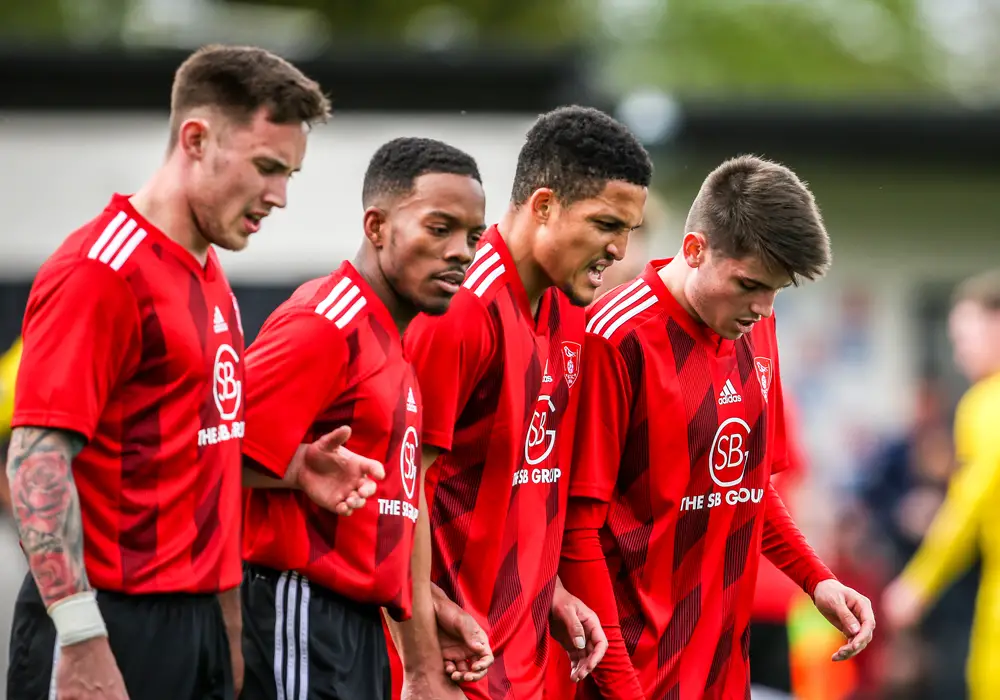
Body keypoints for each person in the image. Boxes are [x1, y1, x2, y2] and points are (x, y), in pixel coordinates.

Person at [4, 44, 375, 700]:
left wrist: (290, 470)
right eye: (267, 167)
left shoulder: (208, 272)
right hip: (108, 623)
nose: (280, 196)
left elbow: (189, 450)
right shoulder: (100, 272)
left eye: (290, 174)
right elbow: (35, 462)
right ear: (196, 140)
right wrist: (82, 638)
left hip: (199, 623)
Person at [552, 155, 876, 700]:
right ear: (695, 249)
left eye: (777, 289)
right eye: (749, 283)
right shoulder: (614, 338)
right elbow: (576, 529)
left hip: (721, 671)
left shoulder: (755, 326)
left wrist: (816, 579)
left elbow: (746, 487)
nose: (763, 307)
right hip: (628, 673)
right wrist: (620, 686)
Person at [394, 105, 653, 700]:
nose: (619, 249)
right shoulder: (459, 313)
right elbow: (397, 497)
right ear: (543, 206)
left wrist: (552, 589)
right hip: (452, 669)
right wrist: (423, 668)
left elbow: (523, 477)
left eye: (629, 231)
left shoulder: (567, 308)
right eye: (606, 224)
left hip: (522, 663)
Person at [238, 137, 494, 700]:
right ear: (376, 226)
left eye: (474, 237)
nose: (461, 252)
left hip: (358, 627)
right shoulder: (326, 323)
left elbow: (393, 505)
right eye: (440, 228)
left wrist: (423, 612)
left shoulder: (394, 339)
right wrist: (297, 468)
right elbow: (205, 450)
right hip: (301, 612)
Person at [882, 269, 1000, 700]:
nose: (958, 352)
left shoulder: (986, 403)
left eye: (964, 337)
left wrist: (920, 581)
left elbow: (971, 500)